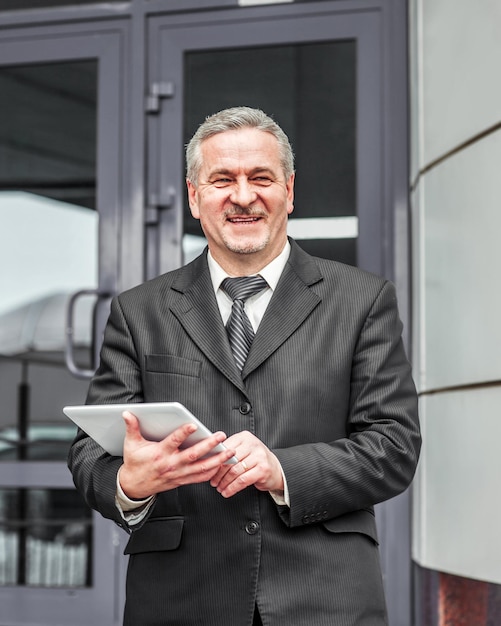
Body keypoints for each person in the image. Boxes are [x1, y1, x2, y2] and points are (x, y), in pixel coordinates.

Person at [68, 106, 421, 626]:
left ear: (290, 190)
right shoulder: (137, 311)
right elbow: (88, 452)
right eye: (221, 180)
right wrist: (131, 483)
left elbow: (394, 446)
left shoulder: (363, 300)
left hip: (325, 599)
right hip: (180, 600)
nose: (242, 196)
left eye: (261, 178)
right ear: (194, 196)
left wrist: (282, 469)